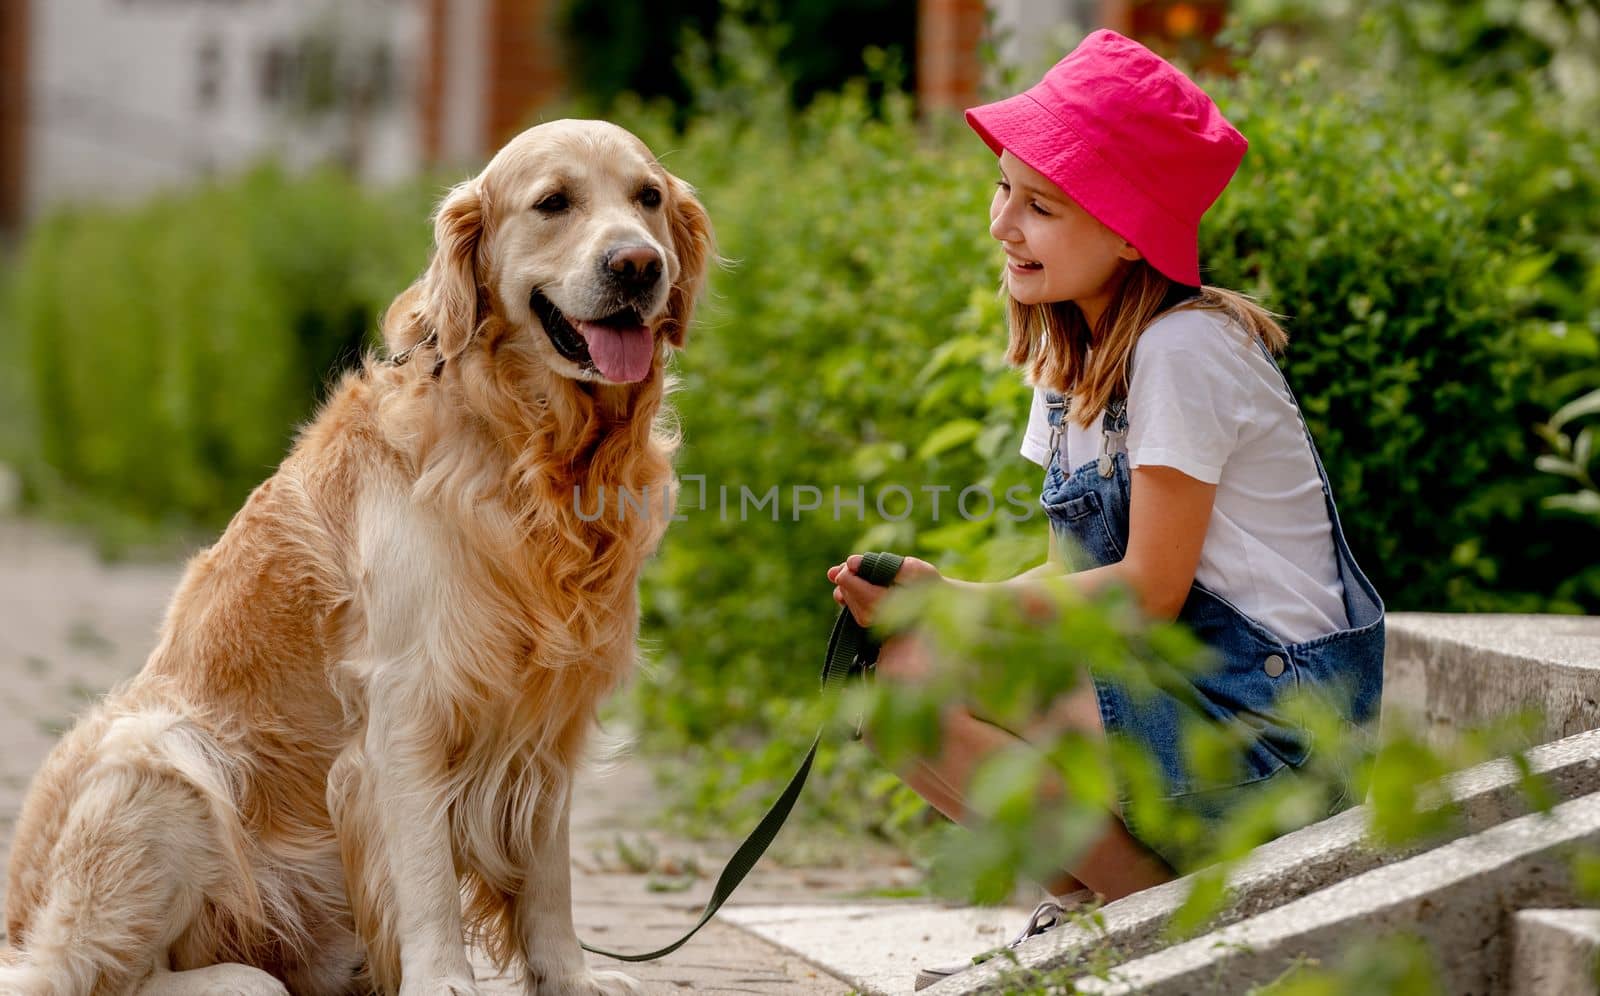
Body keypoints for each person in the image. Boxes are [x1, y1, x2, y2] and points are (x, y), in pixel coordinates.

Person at [825, 28, 1385, 987]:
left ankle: (1154, 939)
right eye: (1004, 187)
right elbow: (1068, 578)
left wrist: (953, 599)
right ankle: (1108, 904)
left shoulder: (1185, 350)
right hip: (1177, 705)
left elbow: (1146, 593)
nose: (1003, 222)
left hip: (1269, 734)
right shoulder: (1072, 363)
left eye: (1040, 205)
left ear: (1129, 232)